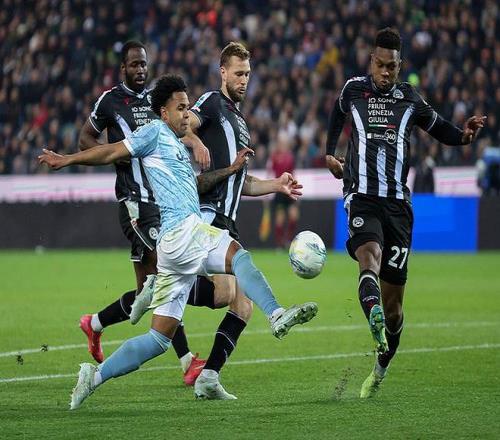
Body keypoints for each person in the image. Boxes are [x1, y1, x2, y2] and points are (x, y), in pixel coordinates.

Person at [39, 74, 318, 410]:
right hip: (184, 231)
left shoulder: (174, 145)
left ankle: (94, 376)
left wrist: (232, 170)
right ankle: (276, 314)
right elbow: (110, 151)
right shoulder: (154, 132)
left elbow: (197, 186)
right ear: (163, 112)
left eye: (188, 108)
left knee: (158, 339)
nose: (187, 114)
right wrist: (66, 159)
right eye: (181, 108)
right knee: (237, 255)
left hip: (173, 246)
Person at [131, 42, 305, 400]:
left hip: (230, 216)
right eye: (238, 73)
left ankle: (209, 376)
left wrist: (277, 185)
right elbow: (181, 125)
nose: (244, 80)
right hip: (209, 213)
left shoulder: (240, 123)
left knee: (242, 305)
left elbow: (242, 182)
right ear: (223, 72)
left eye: (247, 74)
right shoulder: (211, 102)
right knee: (226, 293)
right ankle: (160, 285)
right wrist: (194, 141)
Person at [325, 28, 485, 398]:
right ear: (371, 61)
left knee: (395, 309)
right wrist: (330, 152)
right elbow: (336, 114)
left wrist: (464, 136)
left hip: (398, 207)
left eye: (392, 67)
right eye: (380, 65)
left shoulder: (409, 98)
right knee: (369, 257)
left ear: (400, 66)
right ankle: (373, 315)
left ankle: (380, 367)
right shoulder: (353, 90)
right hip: (362, 197)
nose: (385, 72)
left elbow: (439, 128)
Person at [77, 40, 211, 385]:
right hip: (134, 202)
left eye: (144, 65)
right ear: (123, 67)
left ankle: (94, 323)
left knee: (146, 291)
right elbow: (85, 139)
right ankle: (187, 360)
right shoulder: (110, 101)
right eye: (134, 64)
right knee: (164, 271)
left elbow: (179, 130)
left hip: (162, 203)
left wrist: (195, 141)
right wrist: (117, 155)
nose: (140, 70)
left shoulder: (156, 103)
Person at [269, 136, 299, 248]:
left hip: (289, 189)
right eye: (281, 143)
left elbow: (293, 173)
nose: (283, 145)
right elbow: (270, 173)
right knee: (280, 218)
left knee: (294, 216)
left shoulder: (290, 157)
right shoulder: (274, 157)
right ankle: (279, 243)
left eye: (284, 143)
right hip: (280, 190)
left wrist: (295, 187)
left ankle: (289, 239)